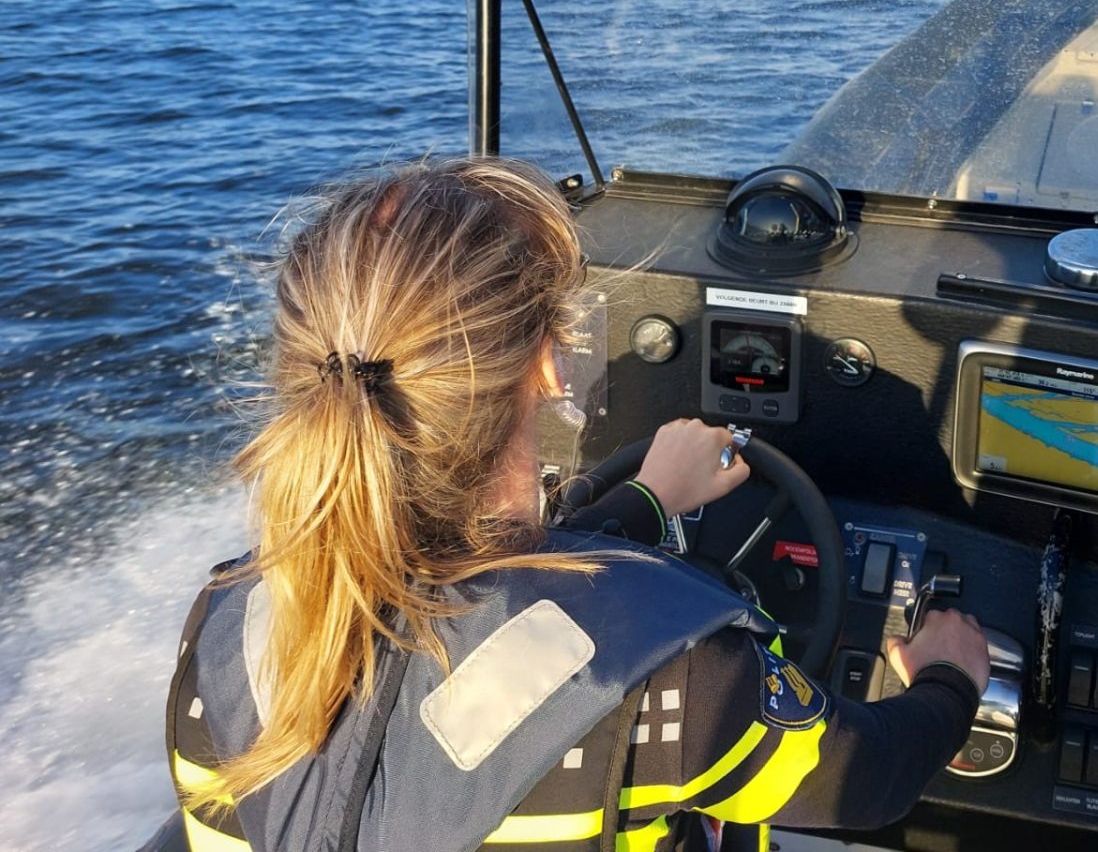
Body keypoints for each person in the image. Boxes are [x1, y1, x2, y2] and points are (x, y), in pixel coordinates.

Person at [163, 158, 990, 852]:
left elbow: (462, 629)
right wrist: (950, 676)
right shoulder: (672, 678)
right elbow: (869, 776)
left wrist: (646, 502)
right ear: (550, 368)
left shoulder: (224, 632)